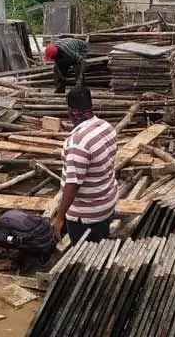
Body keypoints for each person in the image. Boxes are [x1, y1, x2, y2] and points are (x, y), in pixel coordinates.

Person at [50, 86, 118, 244]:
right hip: (107, 203)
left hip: (86, 215)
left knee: (86, 257)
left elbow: (72, 185)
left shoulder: (77, 143)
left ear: (71, 113)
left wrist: (59, 218)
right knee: (102, 245)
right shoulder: (106, 127)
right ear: (91, 107)